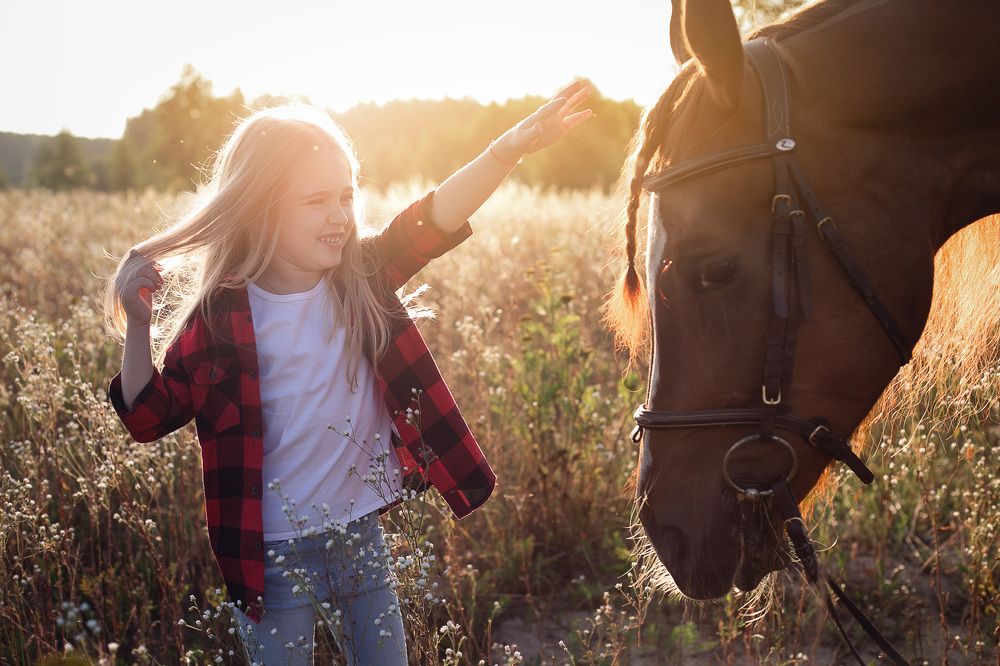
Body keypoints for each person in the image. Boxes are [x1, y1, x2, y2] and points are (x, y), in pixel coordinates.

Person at [103, 81, 591, 665]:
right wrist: (139, 327)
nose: (339, 217)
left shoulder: (361, 278)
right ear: (260, 208)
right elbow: (148, 418)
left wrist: (506, 150)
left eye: (345, 197)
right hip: (270, 556)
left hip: (359, 537)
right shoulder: (219, 319)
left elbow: (434, 216)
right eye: (315, 202)